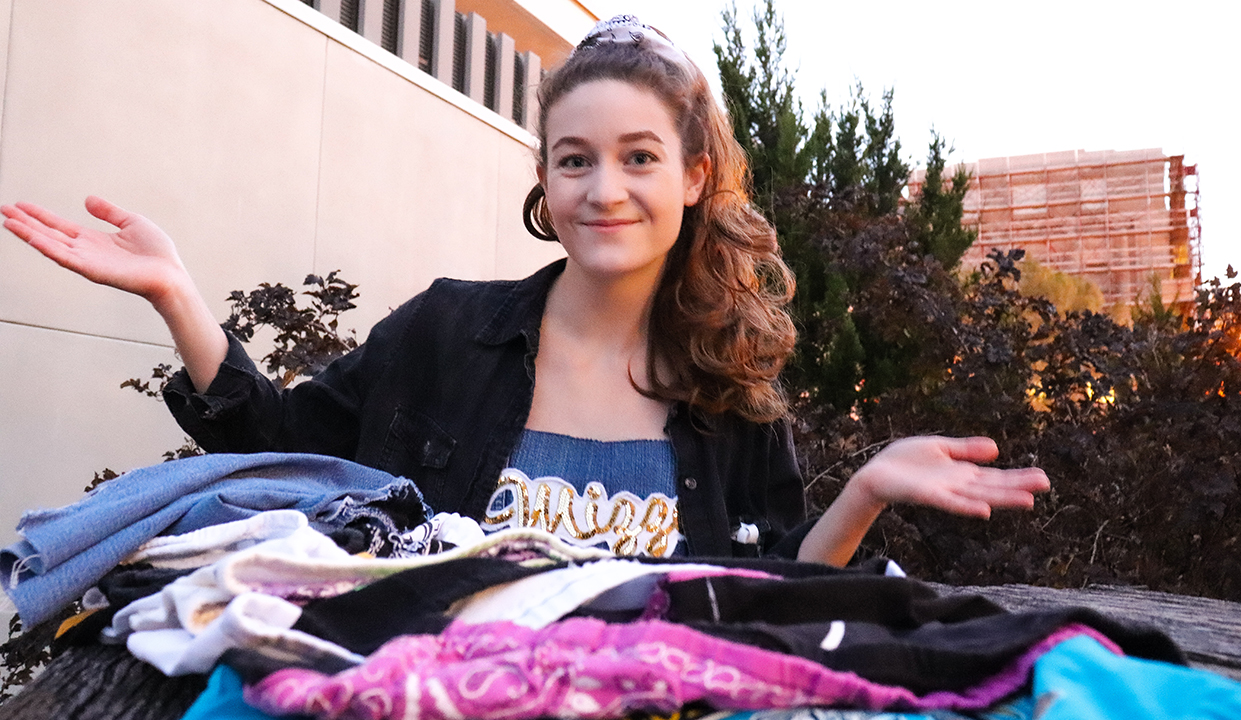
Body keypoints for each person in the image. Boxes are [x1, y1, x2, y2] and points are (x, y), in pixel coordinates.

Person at [1, 15, 1048, 566]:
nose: (604, 190)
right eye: (573, 158)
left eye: (638, 158)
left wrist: (862, 489)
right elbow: (275, 456)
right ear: (543, 176)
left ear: (690, 177)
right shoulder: (444, 332)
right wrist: (179, 297)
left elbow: (766, 601)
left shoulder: (731, 389)